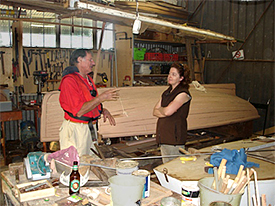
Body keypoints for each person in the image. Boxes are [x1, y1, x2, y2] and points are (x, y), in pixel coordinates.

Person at [59, 49, 118, 157]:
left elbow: (89, 101)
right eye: (90, 60)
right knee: (77, 164)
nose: (93, 63)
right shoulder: (69, 81)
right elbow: (79, 111)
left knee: (92, 162)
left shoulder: (88, 79)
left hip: (90, 129)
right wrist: (101, 98)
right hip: (76, 130)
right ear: (80, 60)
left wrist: (101, 110)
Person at [153, 62, 192, 163]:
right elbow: (154, 111)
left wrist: (162, 109)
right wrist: (164, 110)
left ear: (181, 78)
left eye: (174, 74)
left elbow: (167, 112)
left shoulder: (183, 94)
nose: (170, 76)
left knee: (175, 168)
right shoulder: (166, 93)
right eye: (169, 73)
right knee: (167, 166)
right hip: (164, 138)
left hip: (174, 140)